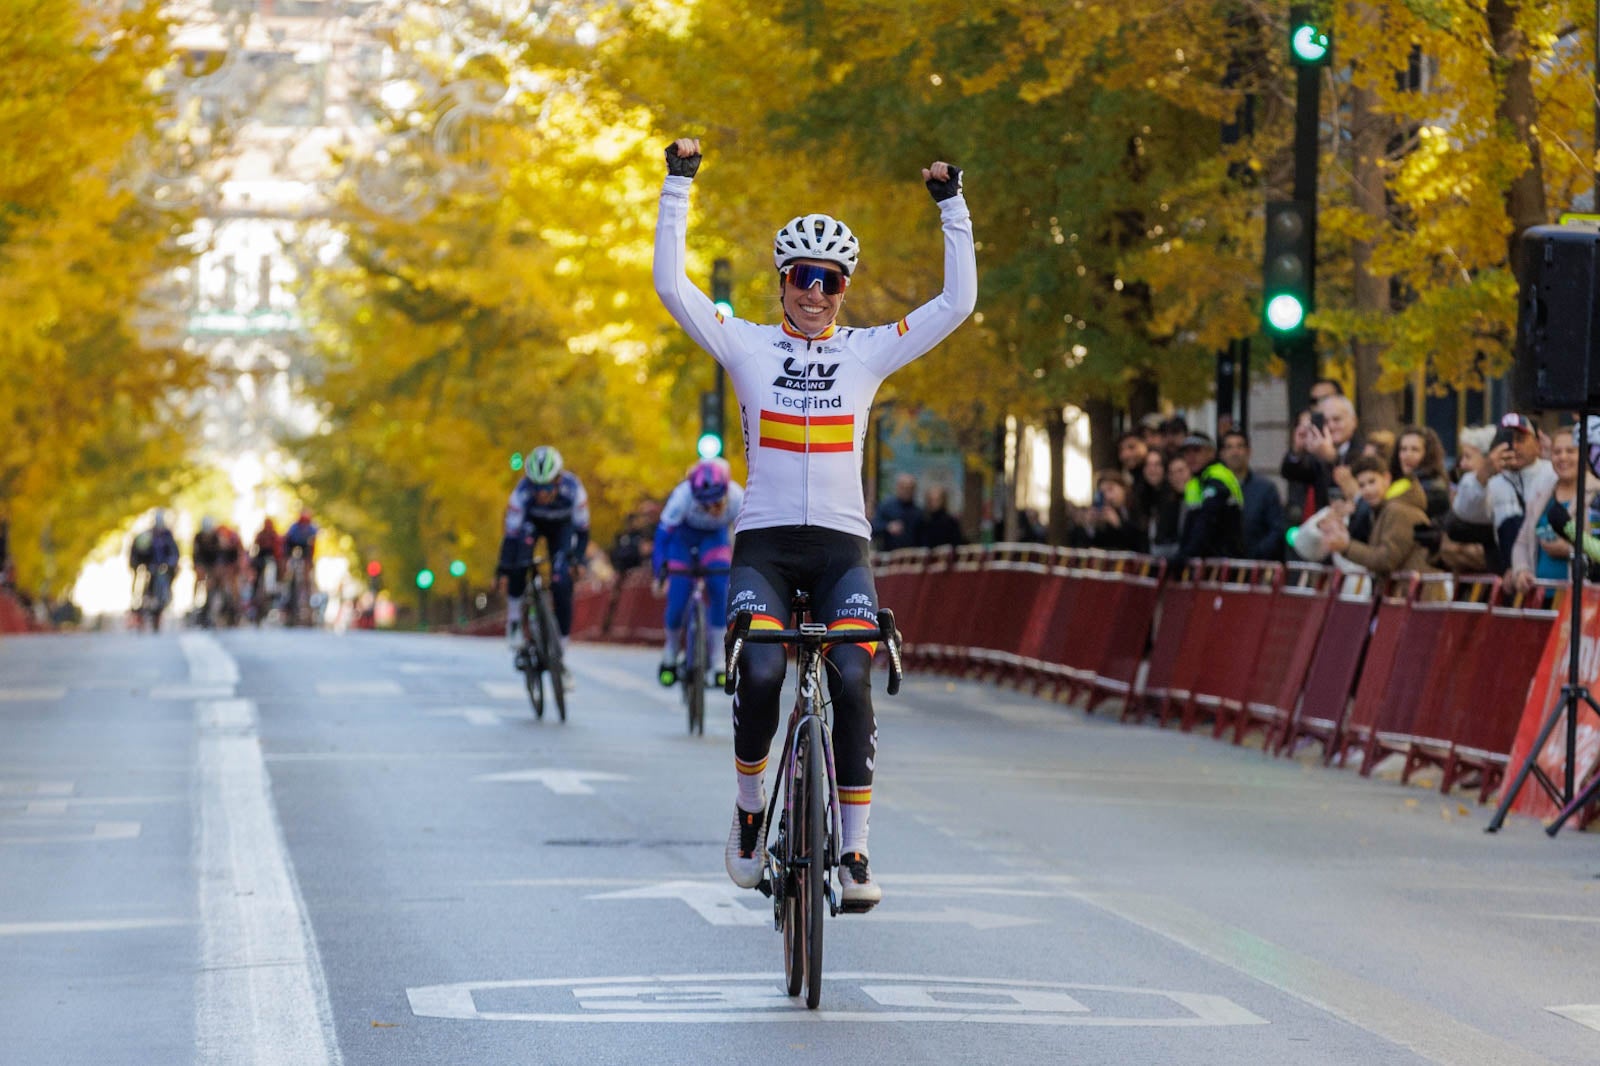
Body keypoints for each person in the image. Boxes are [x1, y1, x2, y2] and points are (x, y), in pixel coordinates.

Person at [654, 135, 976, 907]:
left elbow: (957, 305)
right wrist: (678, 187)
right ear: (781, 281)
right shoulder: (745, 346)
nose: (815, 292)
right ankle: (746, 811)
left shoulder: (867, 353)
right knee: (762, 673)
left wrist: (952, 208)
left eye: (829, 280)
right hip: (764, 546)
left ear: (844, 287)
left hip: (841, 553)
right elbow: (672, 287)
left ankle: (857, 853)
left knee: (855, 681)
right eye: (802, 277)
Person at [495, 445, 591, 677]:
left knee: (561, 581)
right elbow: (510, 536)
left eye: (547, 486)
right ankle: (516, 620)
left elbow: (583, 531)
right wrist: (503, 570)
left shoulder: (574, 490)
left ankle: (561, 652)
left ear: (558, 480)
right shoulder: (521, 494)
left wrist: (577, 560)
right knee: (519, 561)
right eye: (537, 486)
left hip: (562, 528)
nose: (542, 493)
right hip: (531, 524)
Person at [653, 458, 744, 686]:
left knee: (720, 590)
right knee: (677, 601)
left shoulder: (737, 497)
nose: (713, 509)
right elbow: (662, 537)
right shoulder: (682, 497)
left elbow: (750, 536)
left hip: (715, 541)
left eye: (717, 502)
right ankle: (671, 650)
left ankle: (717, 661)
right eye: (706, 504)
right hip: (682, 542)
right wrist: (660, 573)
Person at [1509, 425, 1600, 593]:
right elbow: (1521, 542)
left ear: (1585, 455)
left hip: (1579, 599)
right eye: (1557, 452)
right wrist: (1521, 570)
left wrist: (1571, 549)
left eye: (1570, 451)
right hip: (1540, 599)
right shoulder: (1541, 496)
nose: (1563, 457)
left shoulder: (1596, 494)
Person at [1320, 455, 1433, 582]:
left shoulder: (1399, 510)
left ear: (1386, 478)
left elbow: (1386, 560)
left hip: (1412, 596)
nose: (1367, 490)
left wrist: (1346, 546)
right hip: (1404, 595)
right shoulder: (1384, 509)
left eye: (1372, 482)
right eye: (1362, 485)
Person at [1281, 393, 1365, 517]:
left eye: (1337, 419)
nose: (1331, 426)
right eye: (1326, 421)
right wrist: (1297, 451)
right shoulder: (1317, 452)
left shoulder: (1363, 451)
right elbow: (1290, 473)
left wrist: (1332, 458)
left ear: (1353, 421)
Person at [1220, 430, 1286, 561]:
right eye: (1229, 447)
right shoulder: (1215, 489)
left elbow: (1276, 530)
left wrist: (1257, 554)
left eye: (1240, 446)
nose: (1235, 452)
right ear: (1222, 454)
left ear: (1249, 452)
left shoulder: (1266, 489)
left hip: (1257, 567)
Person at [1176, 433, 1244, 562]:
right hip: (1206, 563)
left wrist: (1185, 556)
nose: (1191, 457)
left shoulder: (1217, 477)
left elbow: (1207, 521)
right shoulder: (1195, 482)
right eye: (1187, 452)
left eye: (1197, 451)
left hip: (1224, 562)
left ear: (1211, 453)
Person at [130, 510, 179, 631]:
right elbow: (138, 552)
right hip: (149, 565)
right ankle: (140, 603)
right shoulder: (147, 535)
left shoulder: (168, 535)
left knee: (166, 581)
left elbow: (174, 551)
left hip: (164, 566)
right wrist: (138, 564)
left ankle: (164, 599)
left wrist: (171, 562)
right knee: (145, 584)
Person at [1392, 425, 1451, 521]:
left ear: (1428, 454)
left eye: (1415, 449)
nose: (1407, 455)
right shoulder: (1399, 481)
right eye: (1403, 449)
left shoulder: (1433, 490)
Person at [1086, 469, 1148, 553]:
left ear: (1123, 487)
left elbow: (1140, 540)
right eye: (1103, 493)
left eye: (1110, 489)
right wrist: (1091, 526)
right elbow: (1098, 546)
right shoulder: (1108, 512)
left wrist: (1118, 524)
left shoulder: (1138, 505)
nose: (1108, 496)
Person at [1148, 452, 1188, 559]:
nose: (1177, 477)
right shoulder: (1167, 502)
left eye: (1181, 471)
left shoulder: (1199, 498)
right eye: (1172, 473)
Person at [872, 473, 921, 551]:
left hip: (911, 555)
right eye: (904, 488)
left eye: (910, 488)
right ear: (898, 488)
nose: (907, 491)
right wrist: (887, 527)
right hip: (889, 555)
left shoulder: (918, 512)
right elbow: (874, 527)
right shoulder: (886, 506)